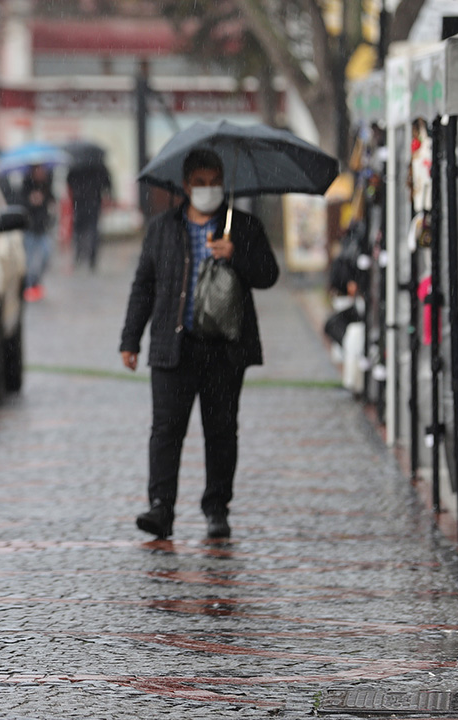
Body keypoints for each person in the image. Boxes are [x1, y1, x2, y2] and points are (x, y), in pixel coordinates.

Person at [119, 148, 279, 540]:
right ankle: (161, 507)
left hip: (225, 348)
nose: (208, 191)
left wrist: (236, 255)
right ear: (186, 185)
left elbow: (268, 275)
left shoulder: (242, 226)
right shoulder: (162, 228)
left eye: (214, 183)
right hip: (173, 346)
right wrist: (130, 338)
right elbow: (144, 285)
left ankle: (216, 507)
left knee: (221, 430)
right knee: (165, 430)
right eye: (200, 184)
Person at [66, 159, 112, 271]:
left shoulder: (76, 164)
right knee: (92, 228)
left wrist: (77, 189)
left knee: (80, 229)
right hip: (93, 201)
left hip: (80, 201)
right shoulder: (99, 165)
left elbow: (69, 180)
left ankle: (79, 254)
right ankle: (91, 257)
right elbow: (107, 182)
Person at [20, 164, 54, 301]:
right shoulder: (26, 186)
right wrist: (30, 201)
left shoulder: (46, 185)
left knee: (46, 254)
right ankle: (29, 285)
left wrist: (46, 200)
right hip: (30, 227)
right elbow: (20, 204)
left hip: (42, 227)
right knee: (29, 260)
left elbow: (51, 200)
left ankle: (36, 282)